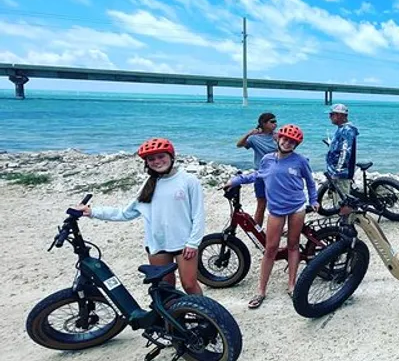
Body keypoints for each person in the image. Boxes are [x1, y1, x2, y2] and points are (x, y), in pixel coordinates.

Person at [76, 138, 204, 295]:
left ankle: (205, 316)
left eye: (161, 156)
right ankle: (173, 318)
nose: (157, 161)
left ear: (171, 157)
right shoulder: (148, 185)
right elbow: (125, 213)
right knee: (165, 286)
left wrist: (193, 242)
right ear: (147, 163)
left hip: (184, 244)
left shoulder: (188, 180)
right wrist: (93, 212)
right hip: (157, 244)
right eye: (151, 159)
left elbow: (198, 215)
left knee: (190, 285)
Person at [226, 124, 319, 309]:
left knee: (293, 246)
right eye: (284, 139)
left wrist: (314, 200)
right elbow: (258, 175)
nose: (287, 143)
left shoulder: (300, 161)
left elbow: (310, 182)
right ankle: (261, 290)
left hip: (297, 207)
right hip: (276, 209)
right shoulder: (267, 159)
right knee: (270, 249)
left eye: (292, 142)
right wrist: (236, 180)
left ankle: (292, 285)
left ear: (296, 145)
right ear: (278, 139)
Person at [236, 112, 278, 228]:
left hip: (277, 174)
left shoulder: (277, 137)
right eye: (272, 122)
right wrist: (249, 133)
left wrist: (279, 141)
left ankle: (277, 229)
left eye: (275, 122)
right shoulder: (255, 139)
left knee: (278, 204)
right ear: (263, 124)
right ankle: (257, 230)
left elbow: (288, 151)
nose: (275, 124)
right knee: (261, 204)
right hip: (260, 174)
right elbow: (239, 144)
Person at [325, 104, 359, 197]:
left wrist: (338, 172)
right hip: (337, 172)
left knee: (343, 200)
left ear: (340, 115)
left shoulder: (347, 130)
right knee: (340, 198)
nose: (329, 117)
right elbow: (340, 147)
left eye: (332, 114)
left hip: (341, 173)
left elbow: (345, 152)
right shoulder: (342, 128)